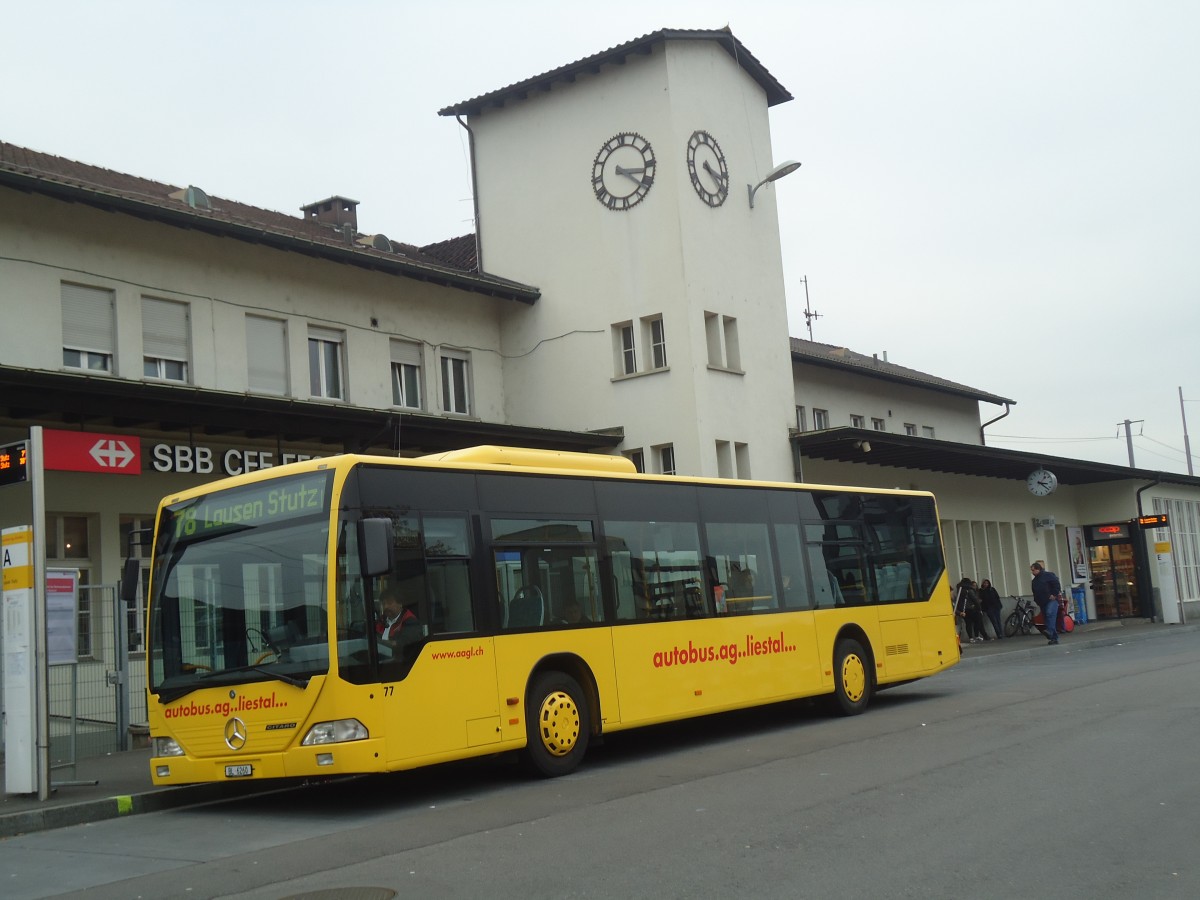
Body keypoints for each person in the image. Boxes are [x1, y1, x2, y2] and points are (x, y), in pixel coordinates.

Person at [1030, 562, 1063, 645]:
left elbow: (1056, 584)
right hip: (1042, 602)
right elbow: (1034, 591)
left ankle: (1049, 631)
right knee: (1047, 618)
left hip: (1051, 600)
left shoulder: (1048, 575)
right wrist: (1037, 600)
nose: (1032, 572)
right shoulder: (1034, 581)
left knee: (1049, 613)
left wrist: (1054, 594)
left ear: (1038, 569)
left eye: (1033, 570)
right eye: (1031, 570)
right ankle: (1053, 638)